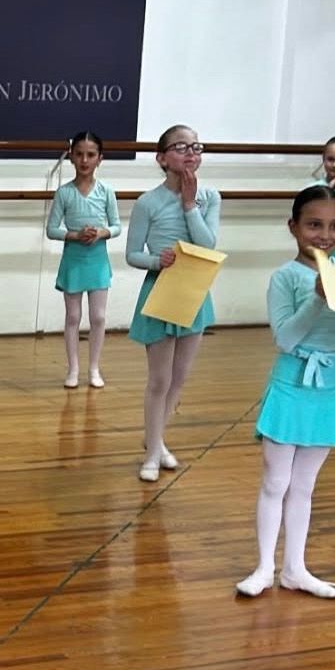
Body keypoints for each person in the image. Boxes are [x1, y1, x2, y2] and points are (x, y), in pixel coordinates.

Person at [235, 186, 335, 599]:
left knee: (305, 486)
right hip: (291, 385)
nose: (324, 235)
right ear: (293, 227)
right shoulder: (286, 277)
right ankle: (263, 567)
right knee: (276, 481)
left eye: (334, 226)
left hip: (328, 389)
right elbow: (285, 338)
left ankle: (295, 568)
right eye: (314, 225)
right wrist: (318, 299)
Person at [126, 124, 221, 482]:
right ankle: (152, 453)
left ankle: (157, 440)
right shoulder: (148, 202)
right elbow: (133, 253)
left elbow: (207, 246)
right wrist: (156, 261)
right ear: (162, 158)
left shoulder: (210, 197)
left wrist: (189, 205)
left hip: (194, 291)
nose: (190, 153)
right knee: (159, 379)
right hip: (161, 289)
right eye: (181, 147)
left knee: (179, 378)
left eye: (196, 146)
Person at [46, 130, 121, 389]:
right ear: (71, 157)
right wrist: (76, 235)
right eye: (79, 154)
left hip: (98, 261)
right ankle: (73, 368)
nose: (85, 160)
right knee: (73, 316)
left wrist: (102, 232)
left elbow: (117, 226)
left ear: (100, 158)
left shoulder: (107, 191)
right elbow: (51, 229)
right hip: (74, 261)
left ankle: (94, 368)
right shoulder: (64, 193)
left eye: (91, 155)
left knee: (99, 317)